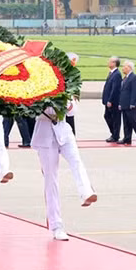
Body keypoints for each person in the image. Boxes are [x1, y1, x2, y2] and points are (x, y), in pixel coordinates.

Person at [31, 102, 97, 241]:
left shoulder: (65, 84)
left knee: (76, 161)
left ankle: (86, 192)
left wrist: (65, 103)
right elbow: (31, 112)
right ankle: (56, 226)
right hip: (45, 136)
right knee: (51, 180)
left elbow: (73, 111)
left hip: (64, 131)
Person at [102, 56, 122, 142]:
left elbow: (115, 89)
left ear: (114, 63)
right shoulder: (111, 73)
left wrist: (110, 100)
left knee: (115, 118)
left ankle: (115, 135)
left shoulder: (117, 74)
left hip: (113, 102)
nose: (108, 63)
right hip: (108, 101)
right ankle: (114, 134)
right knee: (107, 116)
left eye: (110, 61)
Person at [66, 53, 80, 134]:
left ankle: (72, 135)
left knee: (70, 117)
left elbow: (77, 84)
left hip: (70, 98)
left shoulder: (74, 73)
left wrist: (75, 94)